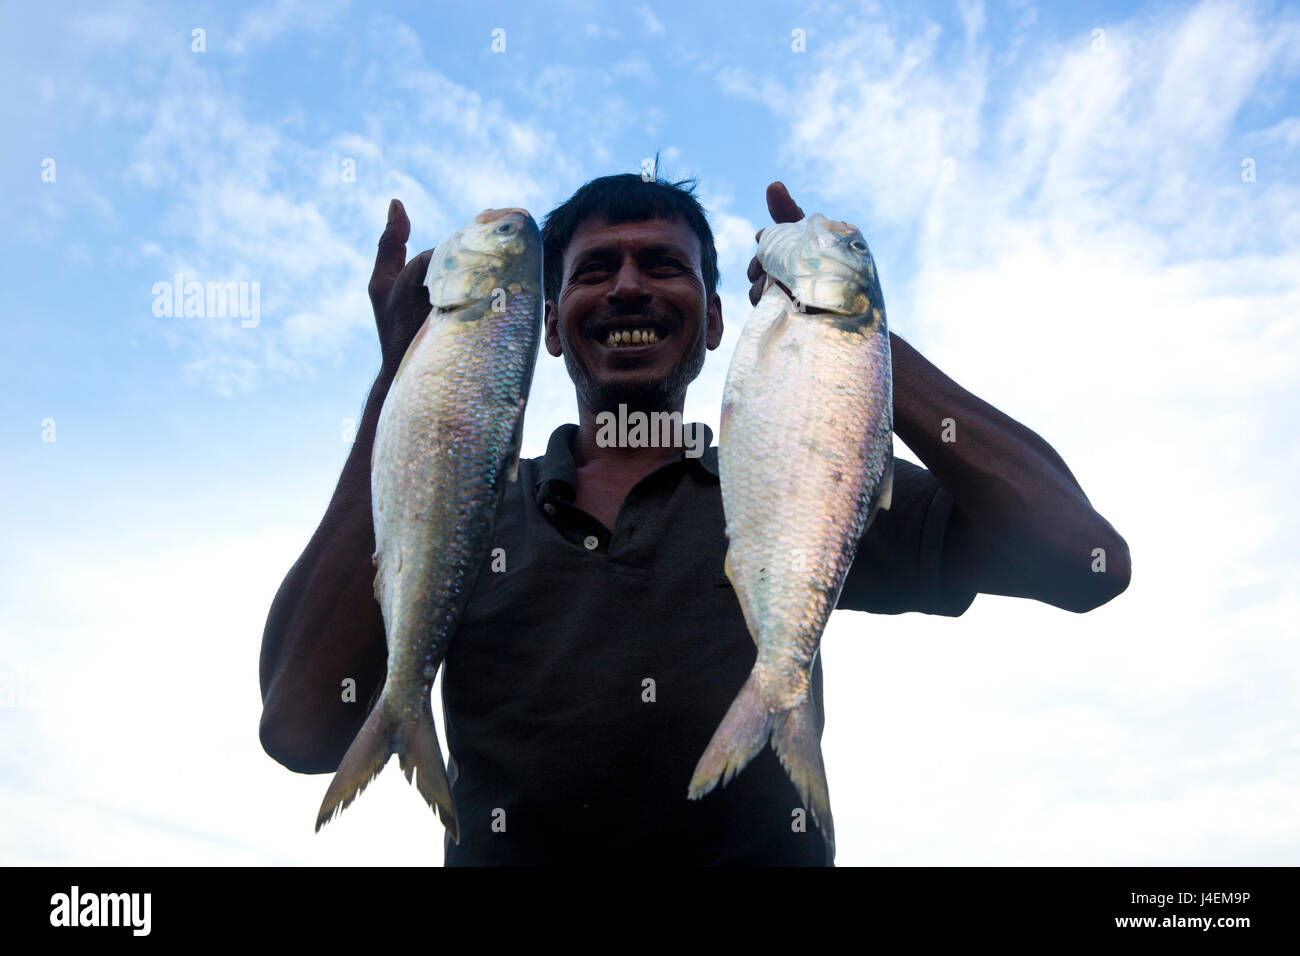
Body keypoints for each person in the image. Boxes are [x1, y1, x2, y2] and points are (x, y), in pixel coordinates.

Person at [258, 174, 1131, 866]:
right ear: (550, 328)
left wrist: (857, 336)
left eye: (665, 266)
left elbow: (1086, 562)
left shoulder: (809, 483)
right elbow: (302, 728)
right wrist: (406, 378)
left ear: (718, 321)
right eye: (594, 270)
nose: (629, 287)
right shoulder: (463, 508)